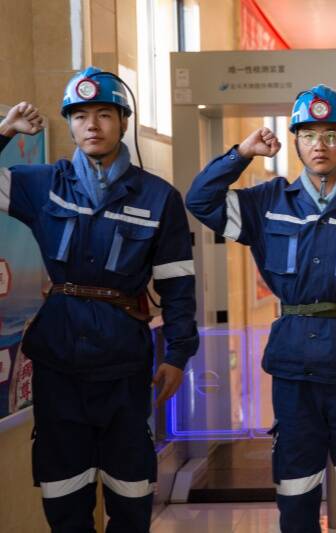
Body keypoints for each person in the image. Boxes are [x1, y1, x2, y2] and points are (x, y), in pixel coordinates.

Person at [185, 84, 336, 533]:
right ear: (295, 141)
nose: (320, 145)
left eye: (331, 135)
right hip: (295, 367)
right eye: (309, 135)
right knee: (296, 486)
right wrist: (241, 153)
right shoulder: (268, 203)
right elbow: (200, 200)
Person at [0, 66, 199, 532]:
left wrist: (178, 354)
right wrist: (5, 131)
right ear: (69, 124)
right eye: (80, 116)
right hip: (58, 361)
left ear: (124, 122)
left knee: (131, 495)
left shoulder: (159, 197)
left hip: (124, 364)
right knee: (64, 495)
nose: (92, 125)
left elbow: (177, 285)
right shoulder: (43, 184)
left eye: (105, 114)